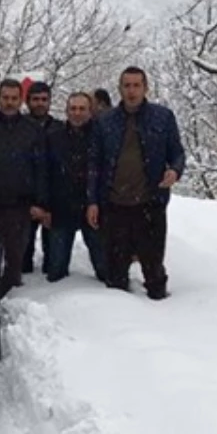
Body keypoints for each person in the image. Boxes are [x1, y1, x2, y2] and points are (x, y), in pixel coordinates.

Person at [86, 66, 186, 300]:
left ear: (145, 88)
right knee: (116, 270)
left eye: (136, 85)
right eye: (127, 85)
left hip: (150, 204)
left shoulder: (162, 117)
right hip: (114, 205)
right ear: (120, 89)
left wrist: (174, 171)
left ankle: (164, 316)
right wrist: (92, 201)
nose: (131, 91)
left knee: (153, 267)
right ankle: (121, 322)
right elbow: (94, 164)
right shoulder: (105, 122)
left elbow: (177, 153)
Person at [0, 78, 49, 299]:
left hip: (20, 206)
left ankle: (10, 302)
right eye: (6, 98)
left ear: (21, 100)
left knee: (15, 260)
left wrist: (40, 201)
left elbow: (40, 168)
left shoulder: (32, 130)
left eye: (14, 98)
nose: (10, 103)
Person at [42, 91, 106, 283]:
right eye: (73, 109)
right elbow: (44, 172)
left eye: (82, 109)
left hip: (93, 209)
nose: (77, 113)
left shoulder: (100, 136)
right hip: (61, 208)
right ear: (67, 111)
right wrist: (44, 205)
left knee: (105, 268)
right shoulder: (53, 137)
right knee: (56, 270)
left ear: (90, 111)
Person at [22, 81, 60, 274]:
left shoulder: (60, 129)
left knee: (55, 263)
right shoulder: (19, 128)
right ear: (27, 101)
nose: (40, 103)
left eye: (44, 99)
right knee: (22, 261)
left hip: (54, 201)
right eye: (35, 99)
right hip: (24, 201)